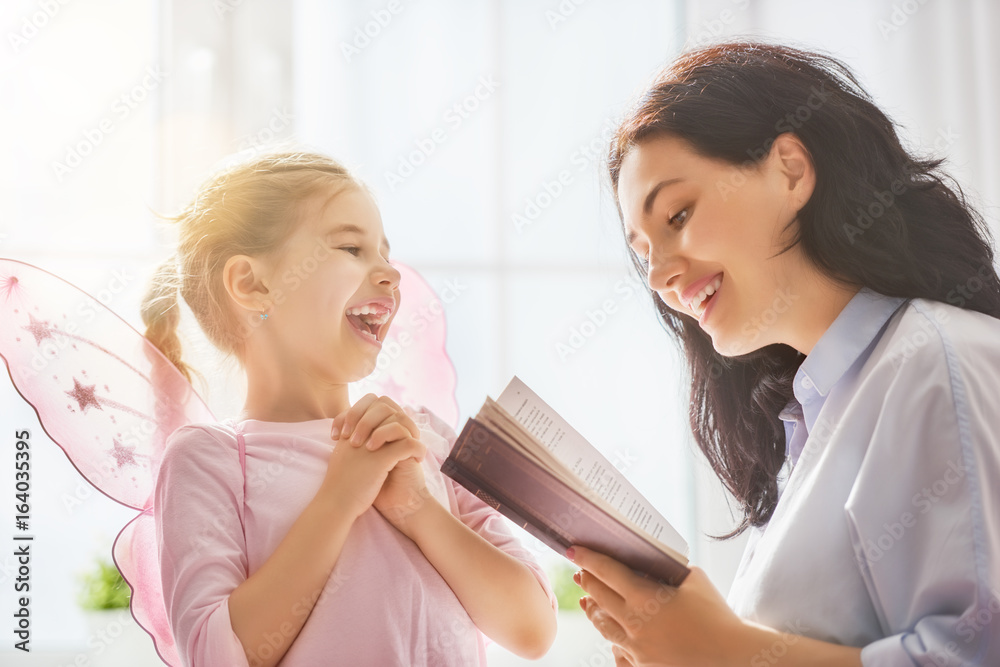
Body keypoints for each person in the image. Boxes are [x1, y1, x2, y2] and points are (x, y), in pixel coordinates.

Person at [569, 41, 1000, 666]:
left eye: (678, 214)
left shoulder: (935, 359)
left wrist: (724, 653)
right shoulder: (811, 421)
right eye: (643, 256)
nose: (660, 273)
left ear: (791, 170)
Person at [145, 151, 558, 666]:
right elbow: (218, 655)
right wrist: (339, 499)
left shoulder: (420, 439)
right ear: (251, 285)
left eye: (384, 253)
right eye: (351, 247)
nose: (389, 273)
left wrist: (420, 511)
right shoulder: (211, 459)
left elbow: (532, 628)